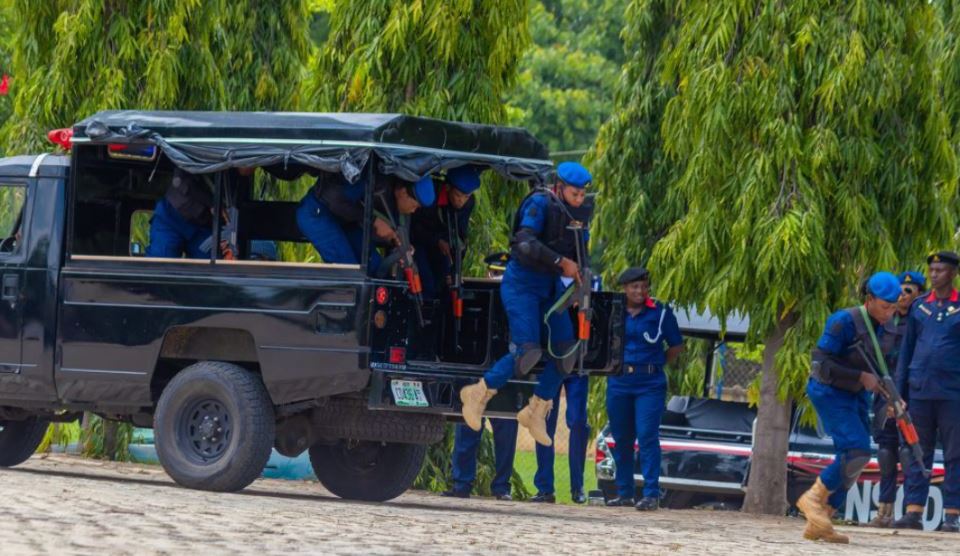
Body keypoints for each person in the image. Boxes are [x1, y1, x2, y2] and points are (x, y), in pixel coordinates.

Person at [458, 161, 593, 447]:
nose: (579, 200)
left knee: (567, 351)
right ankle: (479, 392)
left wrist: (582, 279)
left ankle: (536, 410)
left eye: (582, 194)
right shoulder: (540, 203)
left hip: (551, 287)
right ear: (560, 186)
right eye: (574, 194)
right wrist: (560, 262)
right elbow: (524, 244)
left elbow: (583, 254)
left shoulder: (580, 215)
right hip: (522, 285)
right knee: (527, 351)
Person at [798, 271, 902, 543]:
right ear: (869, 299)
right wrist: (859, 377)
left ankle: (822, 520)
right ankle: (812, 499)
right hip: (829, 390)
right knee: (856, 448)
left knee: (855, 459)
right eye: (885, 306)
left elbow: (885, 369)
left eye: (893, 307)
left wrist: (894, 399)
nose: (890, 312)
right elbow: (822, 364)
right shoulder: (844, 321)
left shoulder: (888, 327)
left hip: (857, 395)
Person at [604, 267, 683, 511]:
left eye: (643, 286)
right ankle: (625, 493)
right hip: (619, 382)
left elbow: (676, 346)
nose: (640, 291)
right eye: (634, 287)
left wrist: (655, 365)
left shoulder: (660, 312)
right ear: (625, 289)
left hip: (649, 384)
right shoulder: (614, 311)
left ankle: (650, 493)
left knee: (647, 435)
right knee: (621, 438)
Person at [442, 252, 519, 501]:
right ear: (489, 274)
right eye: (496, 274)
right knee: (468, 429)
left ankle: (501, 487)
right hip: (477, 374)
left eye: (503, 275)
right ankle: (461, 483)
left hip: (503, 378)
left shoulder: (519, 302)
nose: (499, 279)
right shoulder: (476, 297)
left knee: (506, 432)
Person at [894, 251, 960, 533]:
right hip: (919, 391)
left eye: (941, 270)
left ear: (953, 273)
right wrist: (899, 395)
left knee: (955, 454)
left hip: (952, 393)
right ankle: (913, 511)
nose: (934, 275)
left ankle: (952, 514)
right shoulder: (920, 308)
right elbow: (906, 353)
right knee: (916, 451)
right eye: (932, 269)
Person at [868, 270, 925, 527]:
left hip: (912, 393)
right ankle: (884, 511)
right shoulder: (884, 323)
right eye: (899, 290)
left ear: (919, 295)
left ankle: (910, 511)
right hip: (884, 393)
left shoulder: (921, 322)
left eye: (909, 291)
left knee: (908, 452)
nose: (902, 296)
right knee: (885, 452)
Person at [296, 172, 435, 272]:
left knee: (375, 266)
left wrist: (397, 243)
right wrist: (373, 220)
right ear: (403, 192)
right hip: (318, 212)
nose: (413, 211)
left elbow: (385, 229)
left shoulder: (396, 204)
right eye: (415, 206)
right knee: (349, 271)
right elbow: (332, 198)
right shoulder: (371, 178)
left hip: (345, 221)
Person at [411, 166, 481, 299]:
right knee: (426, 282)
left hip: (442, 245)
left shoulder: (468, 203)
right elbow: (415, 227)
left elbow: (461, 234)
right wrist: (437, 240)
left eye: (466, 197)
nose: (461, 201)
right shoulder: (430, 196)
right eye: (458, 195)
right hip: (419, 241)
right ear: (447, 188)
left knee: (445, 282)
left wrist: (456, 268)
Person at [530, 372, 590, 504]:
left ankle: (577, 487)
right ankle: (545, 489)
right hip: (549, 367)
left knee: (578, 424)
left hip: (577, 368)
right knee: (543, 424)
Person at [147, 168, 214, 258]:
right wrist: (213, 204)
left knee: (212, 265)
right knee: (160, 264)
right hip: (170, 217)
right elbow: (179, 180)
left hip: (206, 226)